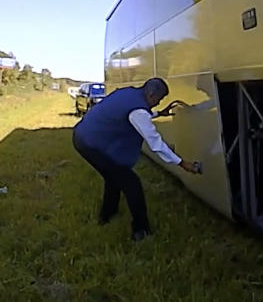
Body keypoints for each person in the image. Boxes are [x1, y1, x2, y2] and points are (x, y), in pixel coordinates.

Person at [72, 77, 200, 241]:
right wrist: (183, 163)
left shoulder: (130, 93)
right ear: (152, 94)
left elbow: (133, 113)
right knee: (131, 183)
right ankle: (141, 231)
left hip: (82, 135)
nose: (158, 103)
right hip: (90, 143)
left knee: (114, 177)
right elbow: (156, 144)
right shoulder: (138, 110)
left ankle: (107, 216)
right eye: (159, 100)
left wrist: (158, 113)